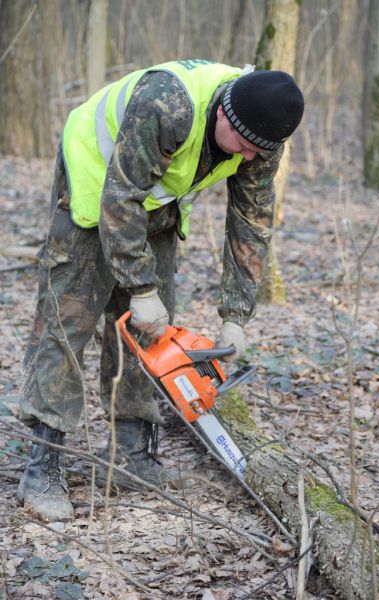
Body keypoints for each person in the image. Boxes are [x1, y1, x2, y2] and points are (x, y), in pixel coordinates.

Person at [17, 59, 304, 521]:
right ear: (224, 116)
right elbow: (120, 195)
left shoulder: (263, 136)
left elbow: (251, 222)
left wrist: (236, 313)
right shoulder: (167, 104)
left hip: (154, 200)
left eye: (259, 152)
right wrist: (139, 285)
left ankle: (132, 456)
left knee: (152, 332)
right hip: (97, 178)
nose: (248, 158)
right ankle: (41, 465)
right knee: (68, 320)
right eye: (245, 147)